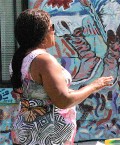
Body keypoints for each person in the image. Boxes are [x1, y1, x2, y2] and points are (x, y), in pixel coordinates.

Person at [10, 9, 113, 145]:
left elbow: (40, 94)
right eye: (52, 27)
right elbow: (64, 101)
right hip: (46, 137)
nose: (54, 31)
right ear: (42, 32)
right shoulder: (43, 60)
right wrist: (94, 85)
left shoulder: (20, 59)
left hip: (27, 132)